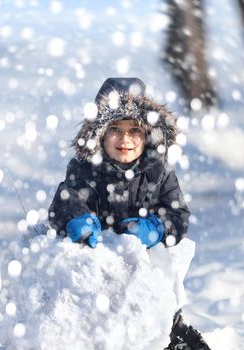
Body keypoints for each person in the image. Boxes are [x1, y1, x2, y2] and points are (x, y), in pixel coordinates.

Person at [48, 77, 210, 350]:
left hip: (146, 267)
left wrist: (156, 228)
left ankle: (170, 336)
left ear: (148, 134)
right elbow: (66, 200)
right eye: (115, 129)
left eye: (134, 129)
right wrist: (77, 218)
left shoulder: (158, 171)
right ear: (99, 134)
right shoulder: (85, 169)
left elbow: (178, 213)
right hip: (97, 269)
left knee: (157, 311)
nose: (125, 139)